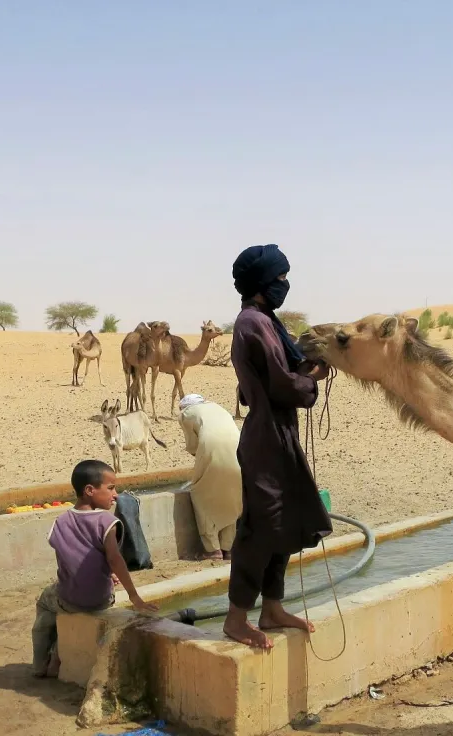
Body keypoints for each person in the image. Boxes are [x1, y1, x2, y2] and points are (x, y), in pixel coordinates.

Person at [224, 243, 333, 649]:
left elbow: (274, 376)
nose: (285, 284)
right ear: (263, 282)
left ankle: (271, 609)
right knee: (261, 526)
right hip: (265, 439)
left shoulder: (267, 320)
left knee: (286, 521)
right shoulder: (251, 322)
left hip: (279, 434)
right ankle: (236, 618)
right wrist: (311, 380)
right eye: (280, 278)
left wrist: (303, 369)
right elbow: (279, 383)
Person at [31, 459, 157, 678]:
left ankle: (41, 663)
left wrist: (103, 573)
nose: (115, 494)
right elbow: (115, 559)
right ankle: (58, 652)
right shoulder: (106, 521)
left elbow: (71, 560)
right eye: (110, 488)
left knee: (45, 602)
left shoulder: (60, 522)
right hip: (101, 599)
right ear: (89, 490)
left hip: (69, 600)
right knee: (55, 601)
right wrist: (134, 596)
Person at [177, 393, 243, 560]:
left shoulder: (186, 413)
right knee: (232, 494)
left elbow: (193, 445)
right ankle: (228, 547)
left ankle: (212, 549)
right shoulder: (218, 408)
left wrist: (197, 456)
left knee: (201, 493)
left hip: (212, 449)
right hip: (239, 449)